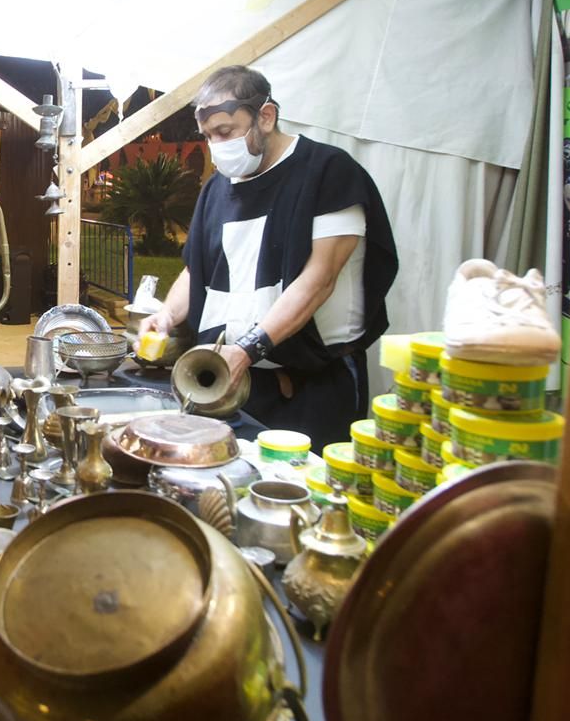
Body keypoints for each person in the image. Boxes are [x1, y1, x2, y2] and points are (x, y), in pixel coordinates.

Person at [140, 66, 397, 448]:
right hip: (233, 386)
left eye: (225, 132)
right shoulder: (216, 189)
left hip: (313, 388)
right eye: (209, 136)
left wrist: (248, 350)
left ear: (266, 116)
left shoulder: (328, 172)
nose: (217, 145)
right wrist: (165, 315)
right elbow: (200, 271)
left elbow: (319, 279)